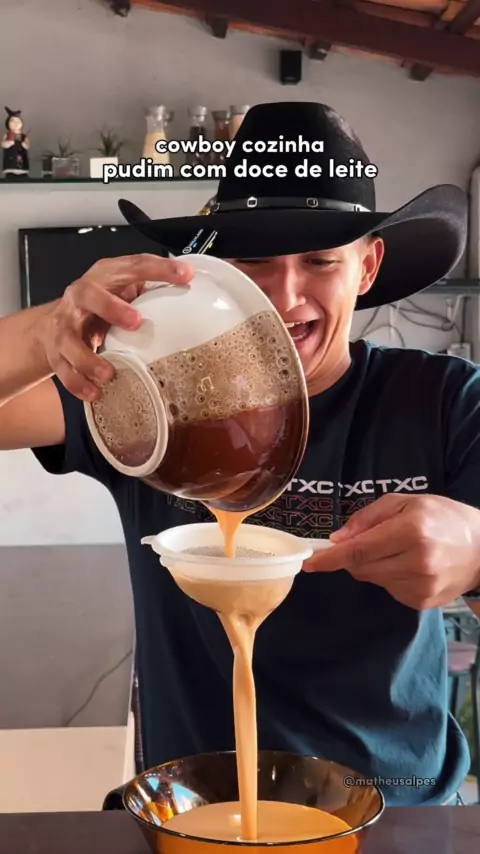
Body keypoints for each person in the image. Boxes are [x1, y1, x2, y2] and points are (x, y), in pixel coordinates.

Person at [1, 102, 480, 808]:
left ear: (367, 266)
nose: (285, 295)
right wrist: (52, 327)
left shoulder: (445, 401)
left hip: (393, 813)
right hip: (197, 811)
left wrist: (475, 552)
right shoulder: (148, 396)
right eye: (253, 259)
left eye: (320, 260)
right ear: (214, 269)